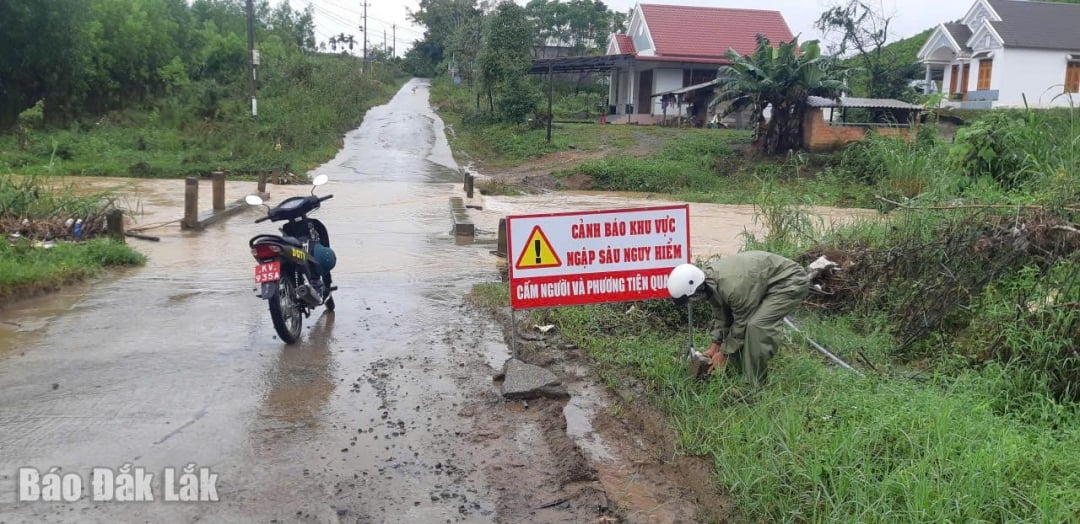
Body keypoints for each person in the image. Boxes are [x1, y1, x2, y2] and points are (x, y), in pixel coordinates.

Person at [667, 251, 810, 387]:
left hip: (789, 281)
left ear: (696, 289)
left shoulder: (733, 289)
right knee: (739, 335)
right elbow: (722, 315)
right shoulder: (708, 281)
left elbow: (742, 322)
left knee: (756, 326)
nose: (694, 302)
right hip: (763, 282)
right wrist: (715, 346)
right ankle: (738, 369)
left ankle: (753, 385)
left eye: (692, 299)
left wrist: (723, 353)